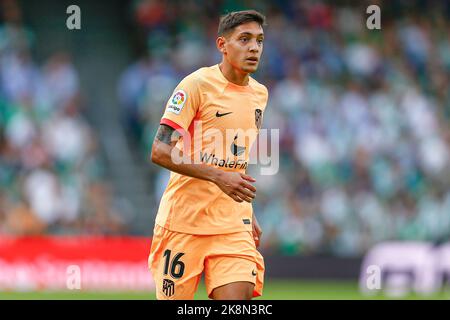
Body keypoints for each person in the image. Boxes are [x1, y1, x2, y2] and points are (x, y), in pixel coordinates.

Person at [148, 10, 268, 300]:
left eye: (260, 40)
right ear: (222, 45)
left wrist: (247, 210)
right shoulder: (196, 85)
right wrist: (218, 177)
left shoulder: (259, 94)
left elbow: (236, 157)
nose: (254, 47)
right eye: (244, 39)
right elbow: (160, 150)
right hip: (184, 222)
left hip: (231, 224)